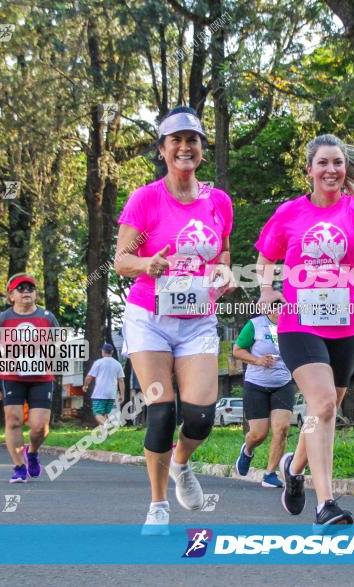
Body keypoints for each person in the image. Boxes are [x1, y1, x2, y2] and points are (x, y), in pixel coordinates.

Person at [254, 133, 354, 529]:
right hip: (298, 322)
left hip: (345, 325)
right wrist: (266, 289)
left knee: (323, 409)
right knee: (324, 403)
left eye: (338, 163)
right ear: (309, 169)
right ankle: (325, 504)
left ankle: (293, 467)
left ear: (346, 170)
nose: (331, 170)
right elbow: (265, 256)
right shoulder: (289, 213)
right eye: (323, 163)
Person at [114, 106, 233, 535]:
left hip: (198, 319)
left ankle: (182, 463)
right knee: (161, 412)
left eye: (193, 140)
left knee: (201, 416)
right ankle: (158, 504)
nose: (185, 147)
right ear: (163, 150)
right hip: (150, 317)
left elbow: (222, 254)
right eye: (175, 141)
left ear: (201, 148)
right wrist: (150, 264)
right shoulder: (146, 198)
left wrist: (223, 273)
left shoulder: (218, 201)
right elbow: (121, 260)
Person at [0, 273, 60, 483]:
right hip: (12, 375)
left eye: (30, 288)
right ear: (11, 295)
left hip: (41, 375)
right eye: (20, 289)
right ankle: (19, 467)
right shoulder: (4, 318)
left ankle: (32, 452)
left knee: (40, 426)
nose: (26, 292)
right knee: (14, 420)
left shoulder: (47, 316)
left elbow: (58, 343)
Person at [232, 305, 294, 489]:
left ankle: (270, 474)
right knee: (258, 434)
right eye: (274, 308)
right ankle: (248, 450)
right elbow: (237, 350)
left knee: (282, 429)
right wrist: (257, 360)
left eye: (282, 307)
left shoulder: (293, 325)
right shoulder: (255, 325)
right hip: (256, 385)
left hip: (283, 383)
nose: (278, 311)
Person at [83, 343, 126, 428]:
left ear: (103, 351)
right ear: (112, 352)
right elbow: (121, 380)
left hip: (100, 394)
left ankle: (109, 426)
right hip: (112, 394)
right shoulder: (117, 364)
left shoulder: (98, 363)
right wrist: (122, 394)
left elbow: (89, 377)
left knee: (97, 414)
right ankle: (104, 435)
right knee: (104, 414)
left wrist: (85, 385)